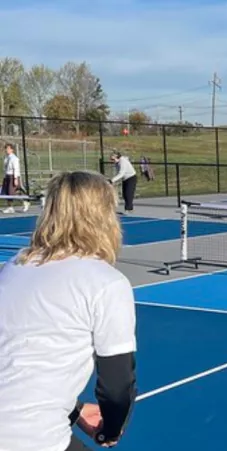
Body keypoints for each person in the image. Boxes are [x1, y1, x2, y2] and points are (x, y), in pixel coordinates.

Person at [0, 171, 137, 451]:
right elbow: (117, 387)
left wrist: (74, 410)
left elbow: (16, 361)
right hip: (32, 438)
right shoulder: (106, 284)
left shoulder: (13, 267)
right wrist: (110, 429)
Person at [2, 143, 30, 213]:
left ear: (12, 150)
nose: (6, 150)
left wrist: (15, 179)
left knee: (12, 192)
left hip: (13, 176)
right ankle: (10, 207)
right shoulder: (6, 158)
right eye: (6, 149)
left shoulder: (14, 158)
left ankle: (25, 201)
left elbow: (16, 169)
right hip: (7, 176)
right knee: (7, 192)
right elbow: (6, 168)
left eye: (8, 149)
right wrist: (5, 177)